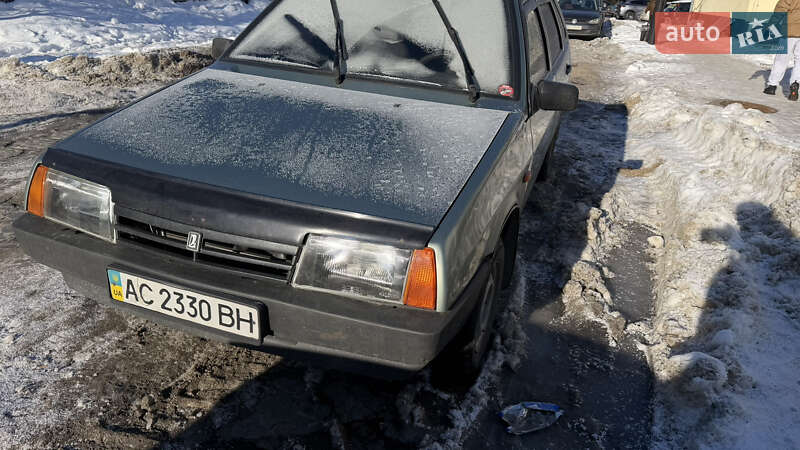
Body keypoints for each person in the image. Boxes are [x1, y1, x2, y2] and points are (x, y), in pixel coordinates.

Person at [764, 0, 800, 101]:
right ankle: (795, 84)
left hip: (789, 30)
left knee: (782, 58)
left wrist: (771, 24)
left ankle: (772, 86)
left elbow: (781, 9)